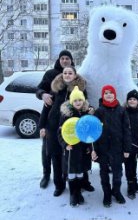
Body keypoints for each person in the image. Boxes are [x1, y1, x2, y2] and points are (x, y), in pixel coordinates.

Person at [39, 66, 94, 197]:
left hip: (74, 130)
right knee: (56, 157)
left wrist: (90, 108)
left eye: (70, 73)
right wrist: (42, 126)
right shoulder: (55, 89)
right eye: (65, 73)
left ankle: (83, 182)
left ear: (75, 75)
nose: (67, 75)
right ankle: (59, 185)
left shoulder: (81, 89)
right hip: (54, 128)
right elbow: (46, 108)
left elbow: (85, 104)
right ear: (62, 75)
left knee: (79, 156)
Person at [36, 50, 74, 189]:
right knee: (47, 150)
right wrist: (43, 94)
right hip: (50, 117)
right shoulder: (50, 74)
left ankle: (64, 176)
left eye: (67, 58)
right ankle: (46, 174)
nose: (65, 61)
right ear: (59, 60)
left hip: (66, 121)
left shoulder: (75, 76)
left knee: (64, 150)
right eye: (62, 58)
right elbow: (39, 89)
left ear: (71, 61)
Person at [91, 85, 132, 208]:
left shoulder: (121, 110)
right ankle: (107, 193)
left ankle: (116, 191)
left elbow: (127, 130)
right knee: (104, 172)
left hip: (118, 148)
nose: (108, 95)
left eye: (111, 93)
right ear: (103, 95)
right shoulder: (99, 111)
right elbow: (94, 132)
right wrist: (94, 150)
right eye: (106, 93)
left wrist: (126, 148)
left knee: (117, 172)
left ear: (115, 94)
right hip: (103, 148)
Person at [58, 86, 93, 207]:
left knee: (80, 172)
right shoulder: (66, 115)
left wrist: (90, 147)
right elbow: (60, 132)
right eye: (75, 100)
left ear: (83, 101)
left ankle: (79, 192)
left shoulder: (86, 114)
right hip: (71, 149)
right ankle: (73, 194)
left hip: (83, 149)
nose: (78, 102)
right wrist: (64, 144)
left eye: (80, 100)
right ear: (71, 102)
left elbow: (89, 132)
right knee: (71, 172)